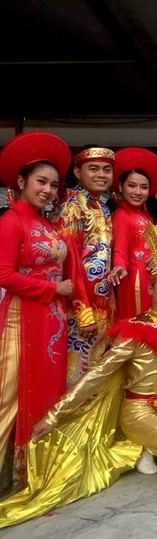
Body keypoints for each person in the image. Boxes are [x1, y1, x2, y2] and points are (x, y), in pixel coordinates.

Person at [0, 221, 157, 528]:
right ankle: (136, 445)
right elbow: (98, 374)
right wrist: (55, 415)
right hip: (139, 410)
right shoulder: (134, 331)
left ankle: (155, 443)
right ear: (151, 289)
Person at [0, 132, 72, 495]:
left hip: (51, 322)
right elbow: (4, 274)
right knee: (10, 396)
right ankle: (6, 479)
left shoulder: (46, 225)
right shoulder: (11, 221)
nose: (48, 190)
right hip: (22, 318)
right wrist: (52, 290)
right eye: (41, 182)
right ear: (21, 182)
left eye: (54, 184)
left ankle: (38, 471)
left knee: (48, 392)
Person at [51, 145, 116, 385]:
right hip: (79, 309)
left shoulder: (103, 207)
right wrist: (83, 312)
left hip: (103, 305)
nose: (101, 174)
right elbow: (70, 262)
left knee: (95, 375)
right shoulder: (71, 206)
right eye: (94, 169)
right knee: (76, 376)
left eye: (107, 170)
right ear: (78, 172)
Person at [108, 148, 157, 320]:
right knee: (138, 325)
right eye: (132, 186)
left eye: (144, 187)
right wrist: (119, 267)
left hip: (152, 279)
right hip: (134, 281)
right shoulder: (121, 216)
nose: (138, 192)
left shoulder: (146, 216)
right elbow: (120, 251)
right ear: (120, 187)